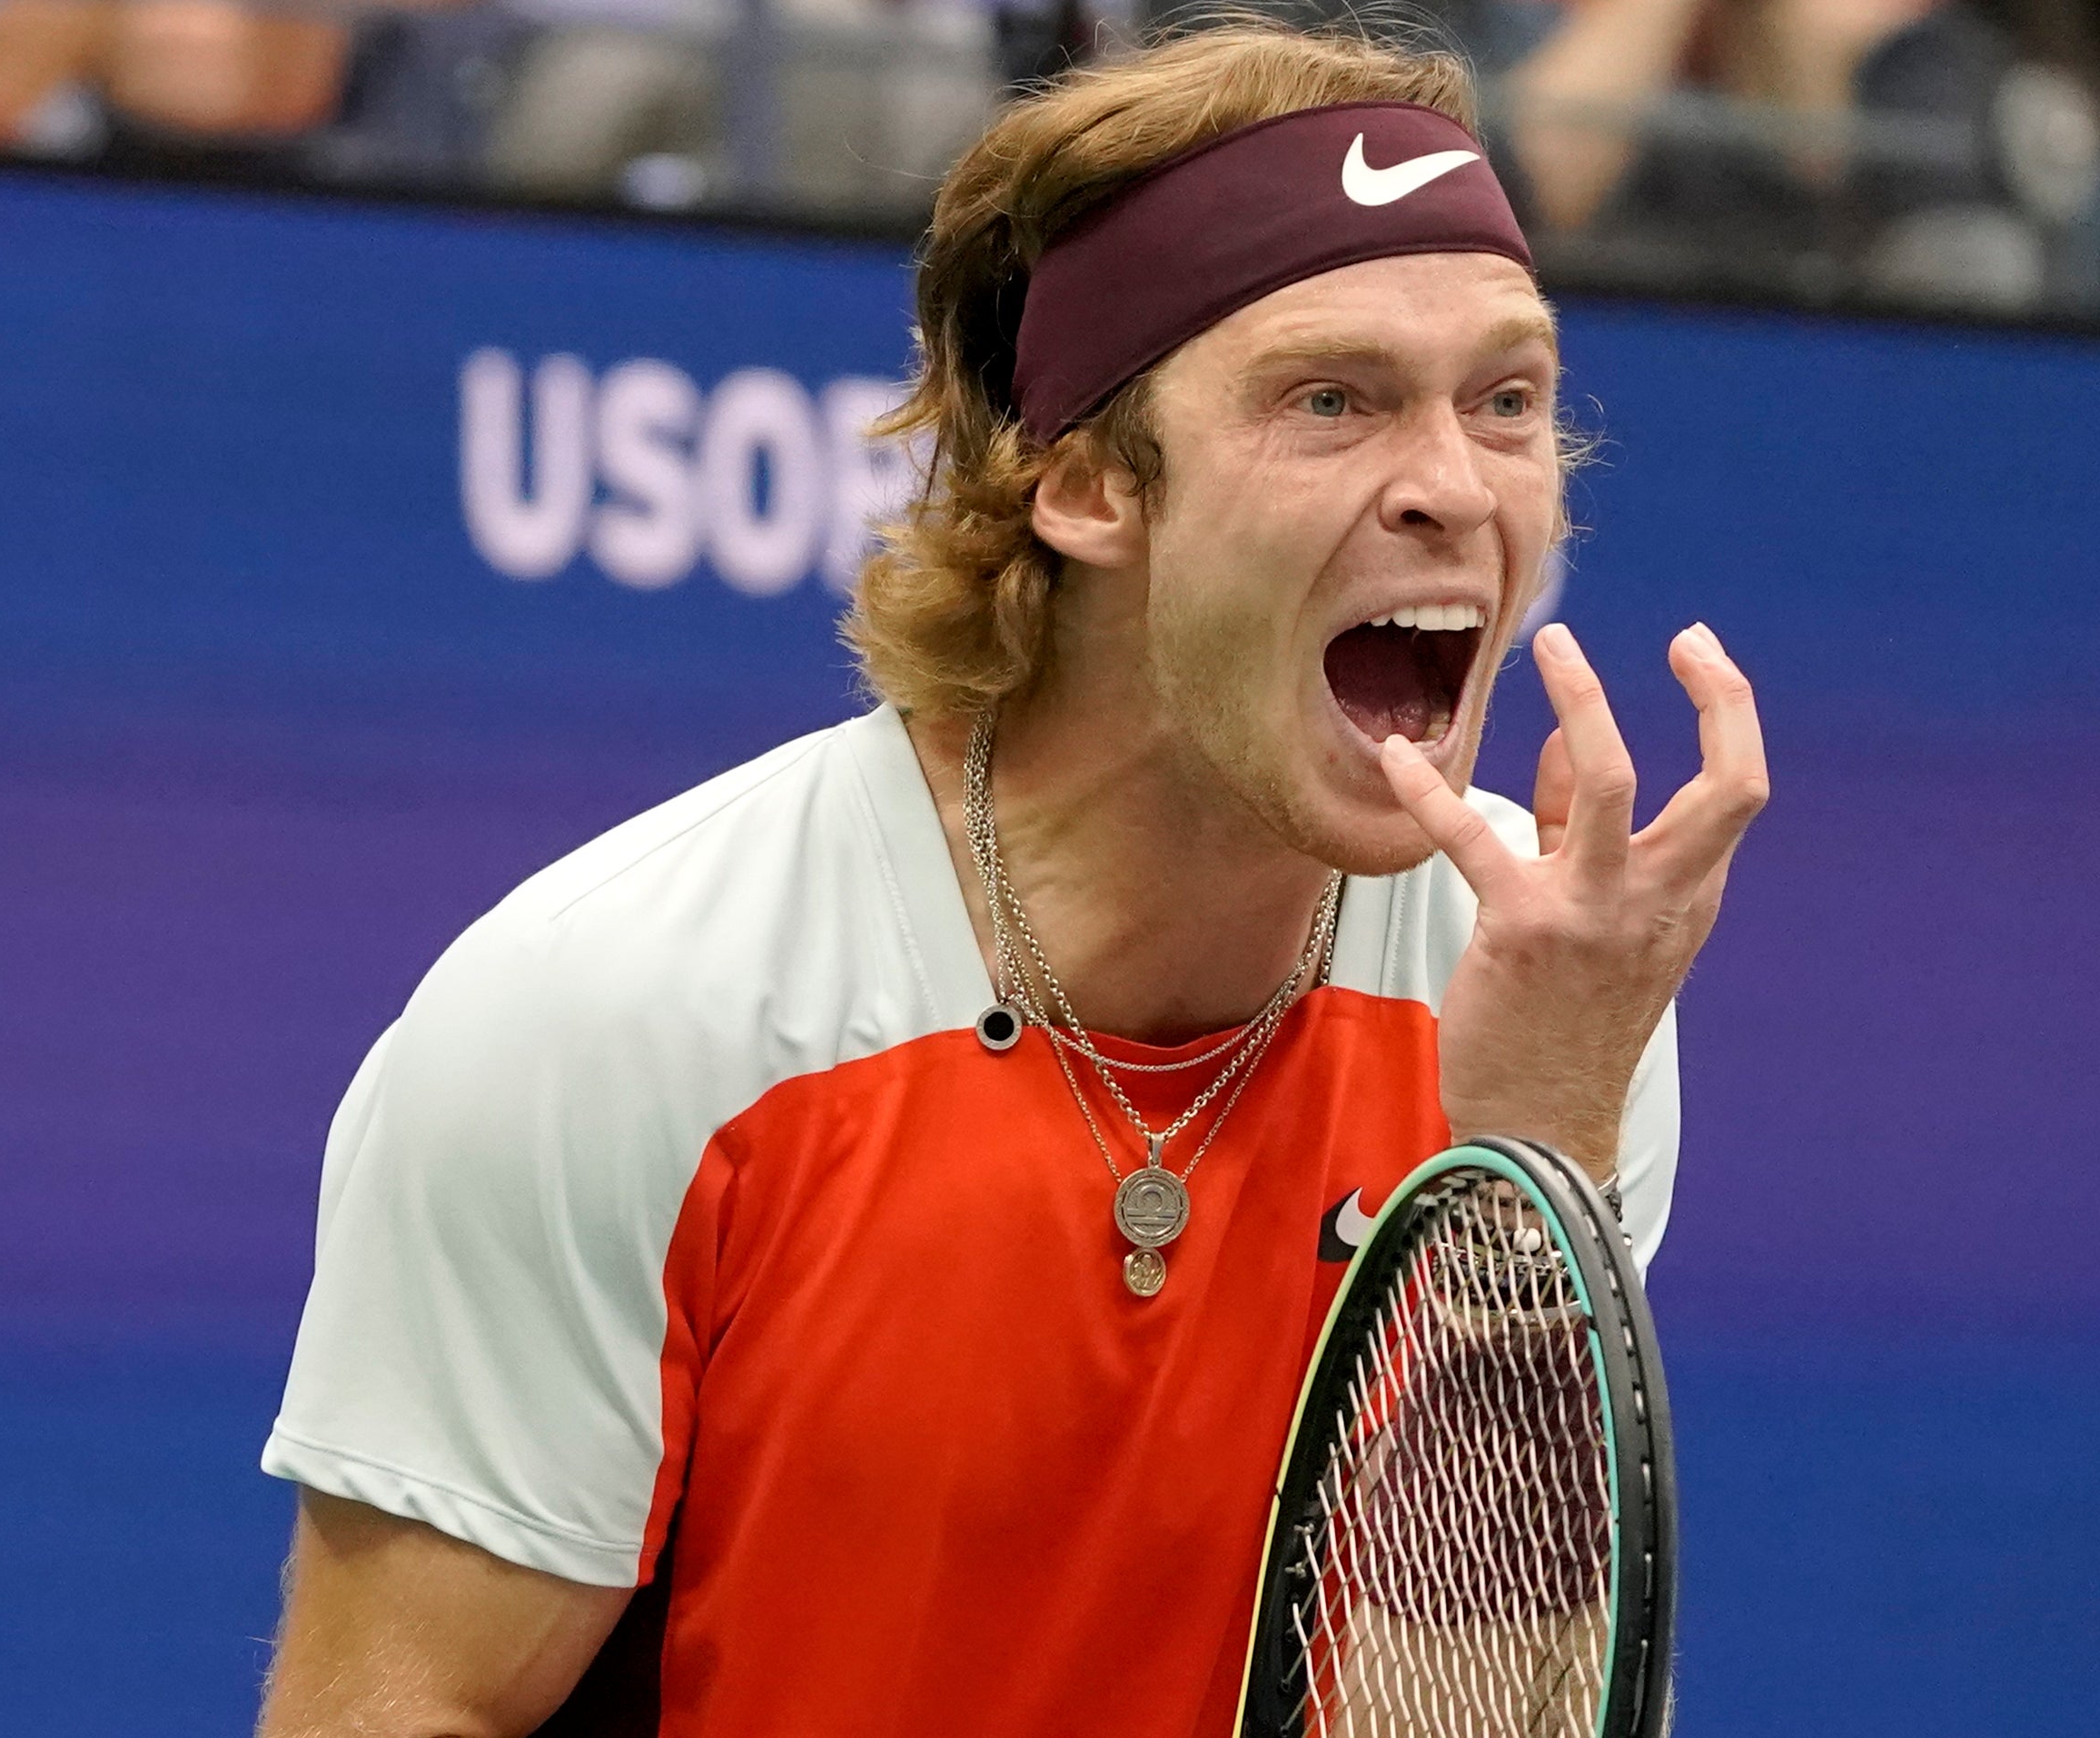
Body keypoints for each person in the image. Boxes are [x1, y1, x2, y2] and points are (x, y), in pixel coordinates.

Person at [254, 20, 1768, 1736]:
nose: (1449, 487)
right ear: (1087, 483)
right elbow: (397, 1706)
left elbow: (1463, 1711)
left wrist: (1531, 1159)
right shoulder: (615, 1013)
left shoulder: (1541, 1010)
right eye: (1330, 400)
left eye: (1506, 400)